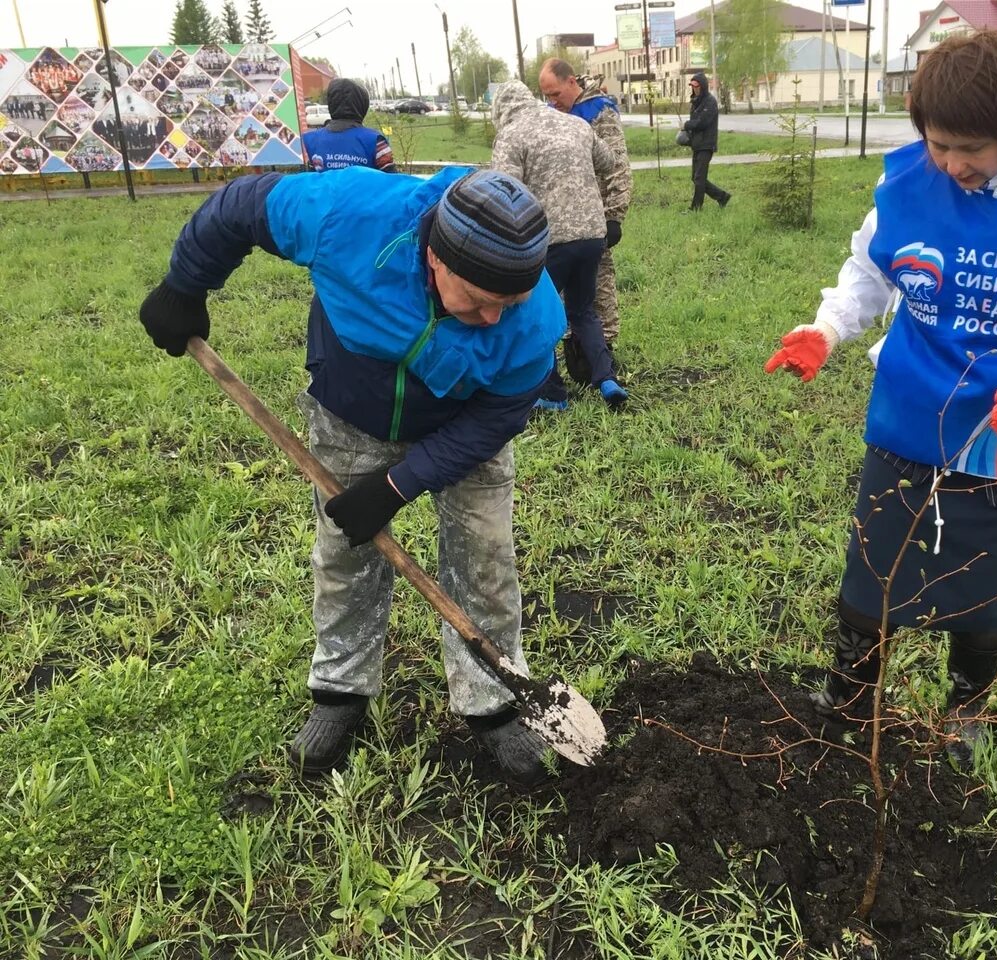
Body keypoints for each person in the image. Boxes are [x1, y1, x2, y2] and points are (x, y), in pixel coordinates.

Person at [764, 31, 997, 759]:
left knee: (988, 594)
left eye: (969, 148)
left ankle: (965, 713)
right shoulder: (913, 181)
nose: (952, 164)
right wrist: (828, 328)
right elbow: (872, 271)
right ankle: (849, 699)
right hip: (911, 413)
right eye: (939, 144)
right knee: (872, 573)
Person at [138, 166, 567, 784]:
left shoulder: (533, 324)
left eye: (510, 304)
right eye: (479, 301)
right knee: (344, 551)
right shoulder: (347, 216)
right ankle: (340, 692)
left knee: (485, 556)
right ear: (434, 257)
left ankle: (494, 700)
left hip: (463, 422)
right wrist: (184, 286)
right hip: (350, 412)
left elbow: (494, 420)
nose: (496, 319)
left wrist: (398, 486)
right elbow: (238, 207)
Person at [490, 80, 627, 411]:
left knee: (538, 314)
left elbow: (502, 190)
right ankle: (606, 379)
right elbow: (608, 162)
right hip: (593, 235)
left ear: (500, 110)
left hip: (550, 240)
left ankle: (552, 394)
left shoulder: (511, 135)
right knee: (583, 311)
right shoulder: (575, 123)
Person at [538, 59, 633, 382]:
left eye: (555, 93)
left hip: (595, 216)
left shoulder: (598, 111)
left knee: (599, 288)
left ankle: (604, 354)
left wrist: (615, 215)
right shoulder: (557, 114)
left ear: (570, 82)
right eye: (546, 96)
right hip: (565, 219)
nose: (552, 101)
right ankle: (576, 351)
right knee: (568, 292)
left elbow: (617, 166)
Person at [301, 78, 395, 173]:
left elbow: (311, 182)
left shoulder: (311, 140)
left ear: (331, 103)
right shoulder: (376, 141)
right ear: (362, 104)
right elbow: (392, 181)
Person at [683, 72, 729, 212]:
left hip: (706, 145)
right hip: (697, 144)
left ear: (702, 86)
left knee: (699, 178)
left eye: (697, 86)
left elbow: (703, 122)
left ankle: (696, 208)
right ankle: (722, 196)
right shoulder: (695, 101)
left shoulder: (710, 101)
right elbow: (695, 123)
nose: (695, 89)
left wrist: (687, 125)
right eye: (692, 86)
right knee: (695, 178)